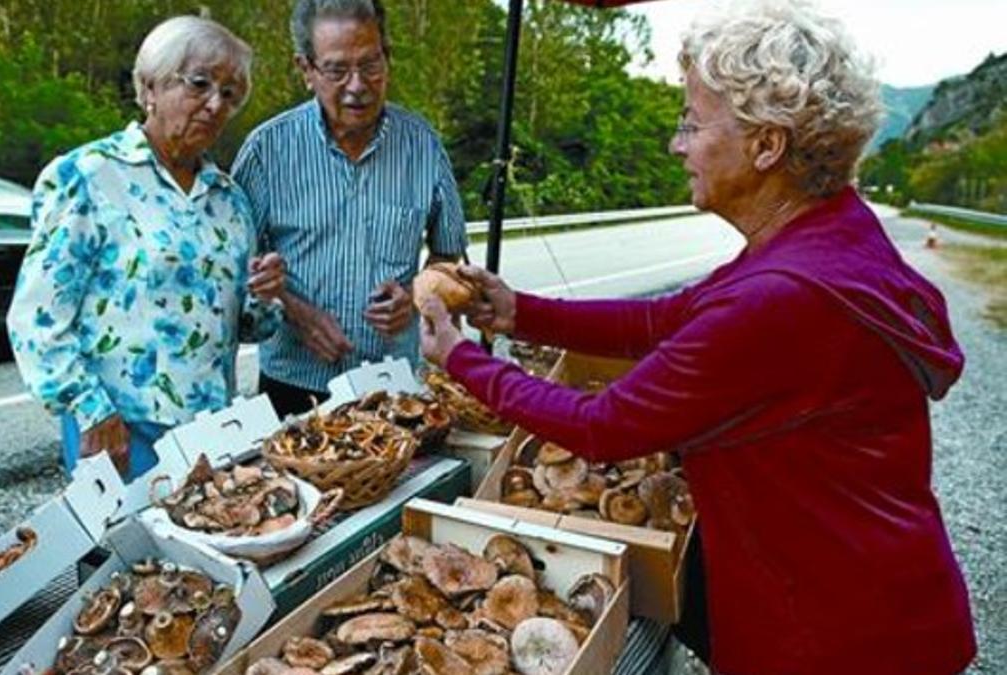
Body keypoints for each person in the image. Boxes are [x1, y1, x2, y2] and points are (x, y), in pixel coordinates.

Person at [418, 2, 977, 673]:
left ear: (767, 145)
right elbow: (673, 317)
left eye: (692, 123)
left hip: (836, 633)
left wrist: (461, 357)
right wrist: (519, 311)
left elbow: (604, 424)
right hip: (876, 599)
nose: (677, 144)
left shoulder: (786, 296)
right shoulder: (823, 233)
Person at [7, 16, 285, 482]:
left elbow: (248, 327)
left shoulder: (229, 199)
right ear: (150, 86)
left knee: (204, 548)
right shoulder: (90, 176)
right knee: (127, 553)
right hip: (119, 430)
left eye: (230, 94)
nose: (215, 104)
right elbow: (36, 320)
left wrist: (265, 293)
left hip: (211, 432)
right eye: (199, 84)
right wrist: (91, 410)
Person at [232, 0, 467, 418]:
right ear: (306, 69)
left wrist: (415, 296)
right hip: (291, 384)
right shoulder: (266, 152)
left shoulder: (423, 146)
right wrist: (296, 310)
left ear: (387, 59)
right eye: (337, 70)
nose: (357, 85)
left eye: (371, 65)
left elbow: (449, 258)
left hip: (393, 383)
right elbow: (237, 269)